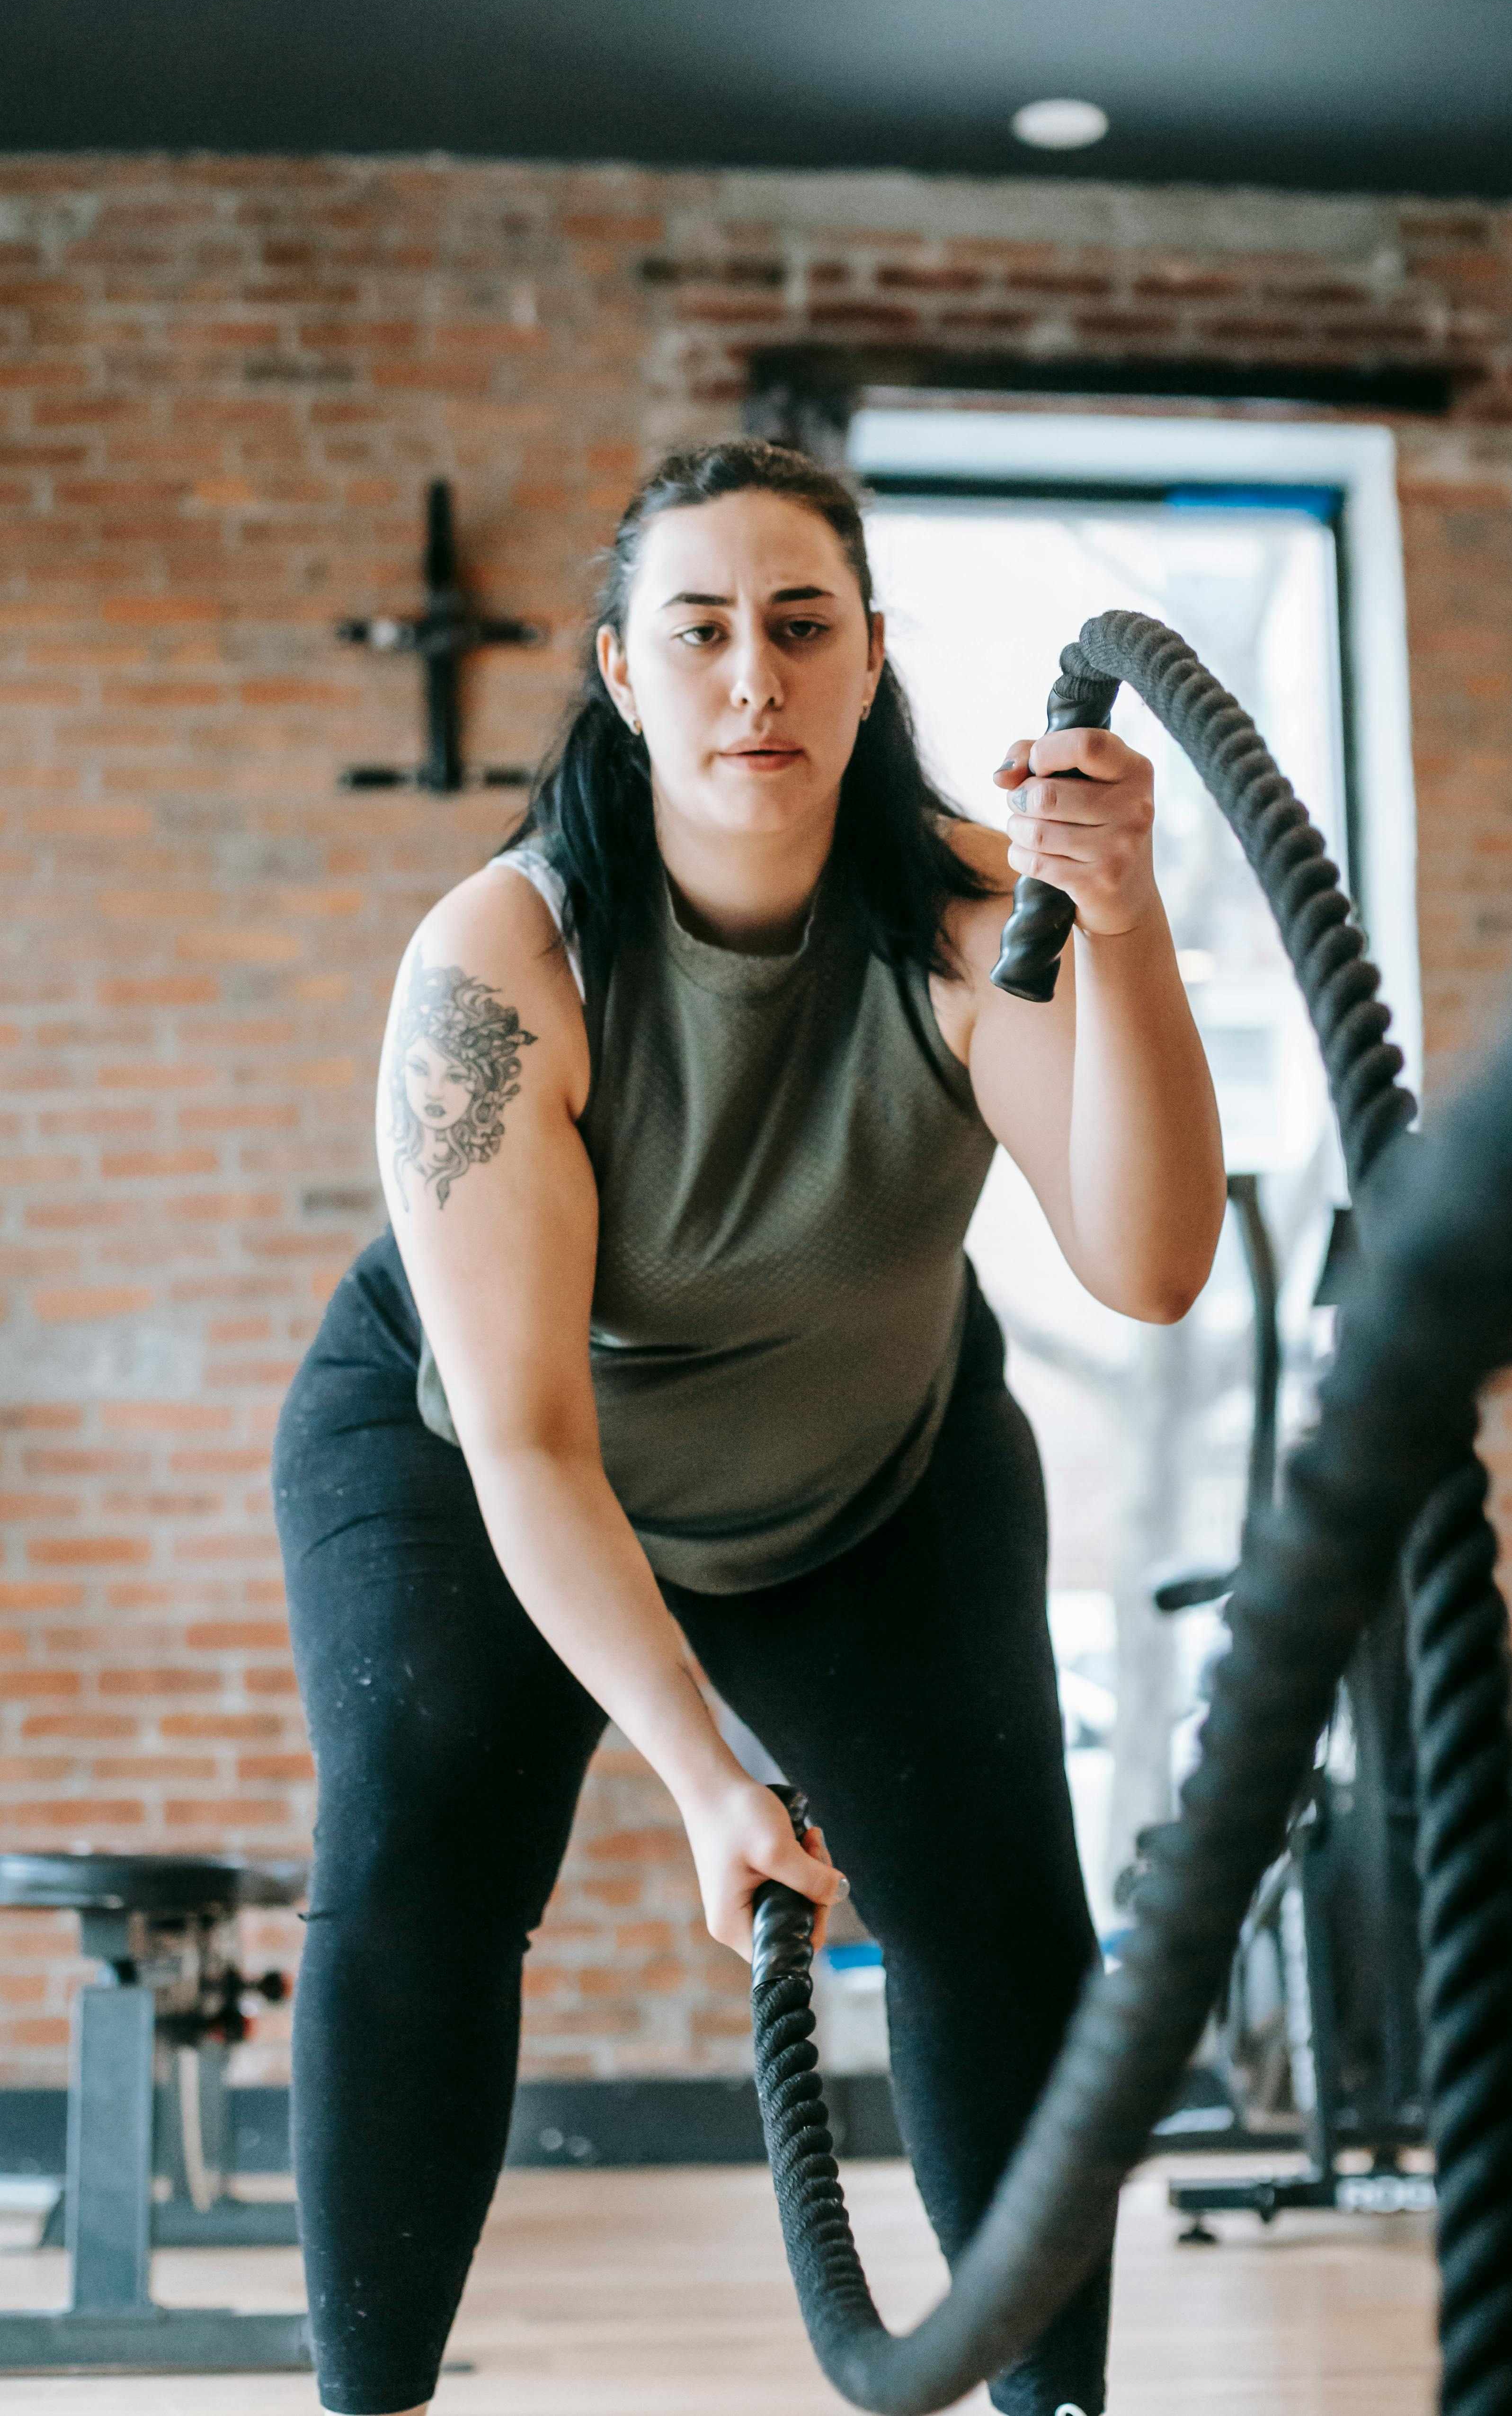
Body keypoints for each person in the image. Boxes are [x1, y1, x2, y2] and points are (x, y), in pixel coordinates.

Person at [271, 437, 1226, 2416]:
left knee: (999, 1918)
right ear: (621, 670)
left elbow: (1144, 1266)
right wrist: (707, 1777)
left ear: (872, 659)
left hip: (870, 1469)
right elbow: (531, 1440)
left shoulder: (982, 917)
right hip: (483, 1461)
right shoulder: (501, 967)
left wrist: (1122, 928)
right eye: (698, 631)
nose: (752, 681)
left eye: (800, 628)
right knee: (419, 1851)